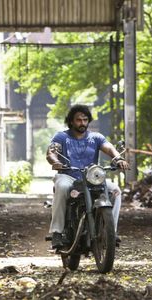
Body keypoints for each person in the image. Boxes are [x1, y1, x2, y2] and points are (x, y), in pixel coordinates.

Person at [46, 104, 129, 249]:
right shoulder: (62, 137)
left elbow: (109, 148)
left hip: (92, 178)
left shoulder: (96, 137)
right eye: (78, 120)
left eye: (85, 120)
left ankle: (111, 232)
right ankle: (57, 233)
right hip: (68, 175)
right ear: (71, 121)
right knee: (61, 187)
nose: (82, 123)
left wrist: (118, 159)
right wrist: (56, 162)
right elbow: (51, 152)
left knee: (115, 190)